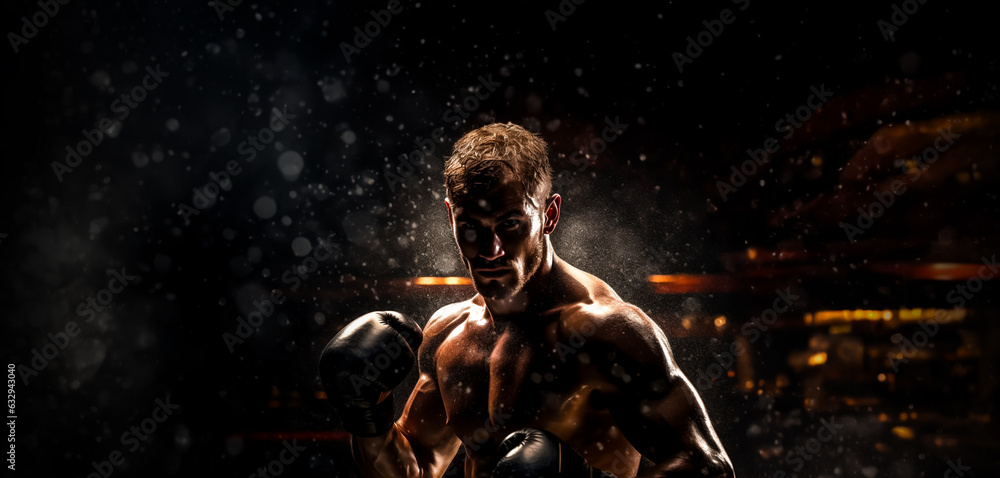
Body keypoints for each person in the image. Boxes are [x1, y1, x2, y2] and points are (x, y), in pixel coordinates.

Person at [320, 123, 736, 477]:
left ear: (549, 216)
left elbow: (709, 467)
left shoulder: (606, 331)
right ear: (450, 218)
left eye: (511, 223)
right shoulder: (447, 333)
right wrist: (366, 413)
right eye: (471, 226)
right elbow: (416, 468)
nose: (491, 248)